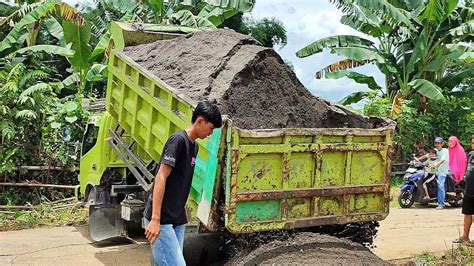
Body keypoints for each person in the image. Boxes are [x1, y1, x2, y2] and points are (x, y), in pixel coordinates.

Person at [143, 101, 222, 265]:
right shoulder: (177, 141)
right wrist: (155, 219)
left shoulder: (195, 147)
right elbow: (160, 177)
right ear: (200, 121)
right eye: (211, 128)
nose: (210, 133)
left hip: (176, 219)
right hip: (161, 219)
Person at [417, 137, 449, 209]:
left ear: (442, 144)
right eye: (436, 143)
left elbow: (442, 160)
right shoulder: (435, 151)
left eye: (438, 143)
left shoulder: (445, 151)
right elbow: (426, 156)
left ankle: (441, 203)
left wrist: (435, 165)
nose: (437, 145)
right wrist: (416, 160)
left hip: (441, 171)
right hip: (434, 171)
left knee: (440, 186)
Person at [453, 136, 474, 244]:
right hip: (469, 190)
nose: (473, 145)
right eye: (472, 143)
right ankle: (465, 236)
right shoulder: (470, 154)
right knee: (467, 213)